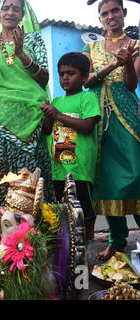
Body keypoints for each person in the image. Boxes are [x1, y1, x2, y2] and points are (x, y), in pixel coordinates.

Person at [0, 0, 55, 214]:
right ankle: (3, 229)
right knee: (0, 169)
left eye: (15, 8)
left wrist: (21, 55)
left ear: (22, 15)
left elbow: (44, 78)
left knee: (29, 172)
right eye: (5, 7)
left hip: (29, 114)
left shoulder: (34, 40)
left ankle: (35, 230)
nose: (10, 12)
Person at [83, 0, 140, 260]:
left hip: (127, 119)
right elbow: (87, 80)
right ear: (99, 19)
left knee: (135, 176)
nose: (110, 16)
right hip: (99, 123)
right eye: (104, 13)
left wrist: (127, 62)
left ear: (124, 13)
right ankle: (117, 240)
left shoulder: (136, 46)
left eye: (115, 10)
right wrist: (113, 65)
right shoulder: (90, 47)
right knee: (107, 182)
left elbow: (131, 84)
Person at [41, 52, 101, 241]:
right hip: (59, 169)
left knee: (84, 210)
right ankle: (69, 247)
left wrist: (58, 115)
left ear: (84, 77)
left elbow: (87, 126)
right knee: (64, 210)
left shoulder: (88, 98)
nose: (65, 77)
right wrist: (49, 116)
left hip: (80, 169)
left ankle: (88, 242)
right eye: (61, 74)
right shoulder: (57, 101)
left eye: (71, 73)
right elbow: (47, 130)